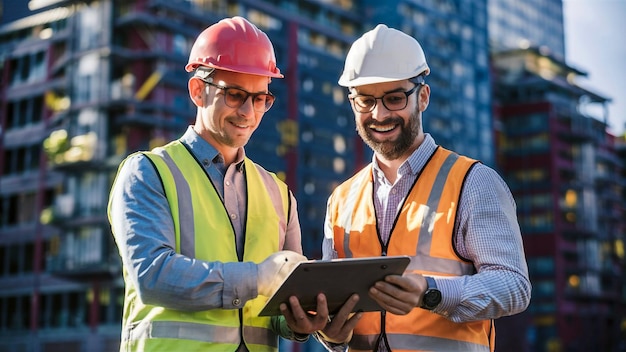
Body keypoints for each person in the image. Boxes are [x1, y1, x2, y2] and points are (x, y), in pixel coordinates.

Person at [107, 16, 329, 352]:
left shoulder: (279, 195)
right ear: (198, 90)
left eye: (260, 99)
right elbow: (152, 275)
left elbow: (280, 305)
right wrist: (258, 278)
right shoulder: (148, 173)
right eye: (236, 95)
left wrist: (299, 322)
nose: (249, 112)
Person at [316, 24, 532, 352]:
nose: (380, 113)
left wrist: (430, 293)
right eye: (365, 101)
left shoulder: (473, 183)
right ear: (352, 102)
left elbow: (513, 287)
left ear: (423, 97)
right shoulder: (342, 199)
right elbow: (339, 312)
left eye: (394, 98)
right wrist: (331, 335)